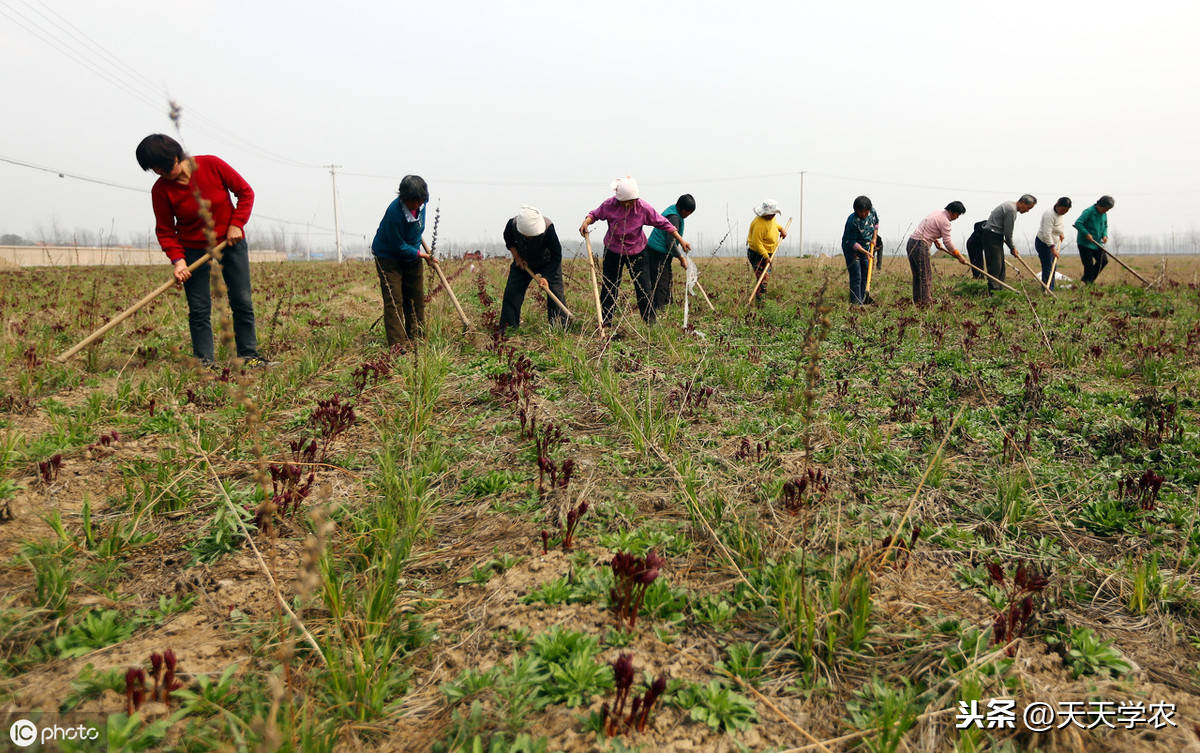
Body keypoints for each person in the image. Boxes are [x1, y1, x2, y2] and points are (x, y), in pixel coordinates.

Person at [135, 134, 264, 367]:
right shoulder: (161, 190)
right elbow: (165, 230)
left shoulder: (211, 165)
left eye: (166, 166)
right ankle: (204, 363)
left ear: (177, 155)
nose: (164, 173)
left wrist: (237, 224)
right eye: (156, 171)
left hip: (230, 242)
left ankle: (249, 357)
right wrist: (178, 261)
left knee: (242, 301)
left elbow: (246, 192)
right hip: (193, 249)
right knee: (199, 309)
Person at [579, 177, 690, 326]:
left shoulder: (642, 207)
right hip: (613, 250)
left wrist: (680, 239)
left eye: (632, 201)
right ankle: (605, 321)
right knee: (610, 286)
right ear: (619, 199)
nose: (629, 204)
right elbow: (595, 214)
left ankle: (650, 322)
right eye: (626, 202)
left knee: (644, 287)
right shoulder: (610, 205)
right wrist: (586, 222)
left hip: (637, 251)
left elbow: (663, 222)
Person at [371, 175, 432, 347]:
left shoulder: (422, 205)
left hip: (412, 253)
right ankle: (398, 344)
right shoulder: (394, 214)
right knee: (394, 299)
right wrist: (421, 255)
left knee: (415, 296)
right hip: (389, 256)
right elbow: (398, 245)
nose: (419, 205)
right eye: (415, 202)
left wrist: (419, 252)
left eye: (422, 201)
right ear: (405, 199)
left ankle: (417, 338)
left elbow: (418, 228)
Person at [500, 205, 567, 333]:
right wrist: (517, 257)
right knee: (512, 293)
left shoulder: (548, 229)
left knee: (556, 293)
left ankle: (559, 327)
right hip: (523, 261)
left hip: (547, 262)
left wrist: (546, 277)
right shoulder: (512, 225)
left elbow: (556, 256)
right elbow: (508, 240)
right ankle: (508, 328)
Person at [907, 202, 968, 305]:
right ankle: (926, 304)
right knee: (925, 276)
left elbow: (929, 228)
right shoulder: (945, 222)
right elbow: (947, 242)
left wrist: (935, 240)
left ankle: (918, 302)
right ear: (952, 212)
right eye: (957, 215)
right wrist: (959, 256)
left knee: (918, 275)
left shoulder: (936, 213)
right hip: (921, 245)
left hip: (911, 242)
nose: (957, 218)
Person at [645, 194, 696, 313]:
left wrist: (683, 243)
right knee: (661, 281)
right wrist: (681, 257)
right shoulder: (674, 217)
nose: (689, 215)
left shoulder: (674, 211)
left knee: (667, 277)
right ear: (683, 209)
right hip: (656, 252)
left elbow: (674, 239)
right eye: (689, 212)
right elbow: (670, 243)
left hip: (662, 252)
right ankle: (659, 309)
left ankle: (668, 304)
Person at [980, 195, 1038, 292]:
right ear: (1022, 203)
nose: (1027, 211)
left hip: (996, 236)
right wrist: (1012, 248)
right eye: (1028, 208)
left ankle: (999, 290)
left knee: (1001, 267)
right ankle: (993, 292)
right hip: (991, 236)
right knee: (995, 267)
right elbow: (1008, 232)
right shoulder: (1011, 210)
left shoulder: (1010, 205)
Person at [746, 199, 788, 303]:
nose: (773, 215)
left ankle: (761, 299)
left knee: (765, 278)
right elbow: (757, 243)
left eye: (774, 213)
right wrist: (766, 256)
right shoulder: (759, 224)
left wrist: (781, 229)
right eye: (771, 214)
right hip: (757, 254)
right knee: (762, 279)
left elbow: (774, 225)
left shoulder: (771, 219)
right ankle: (760, 303)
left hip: (769, 253)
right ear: (765, 213)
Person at [840, 195, 878, 305]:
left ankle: (863, 298)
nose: (864, 214)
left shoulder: (872, 213)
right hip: (851, 249)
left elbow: (876, 224)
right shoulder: (852, 221)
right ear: (856, 210)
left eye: (866, 212)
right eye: (861, 212)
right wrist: (866, 252)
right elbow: (852, 243)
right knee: (856, 275)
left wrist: (874, 238)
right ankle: (856, 303)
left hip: (866, 247)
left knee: (865, 272)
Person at [1074, 195, 1115, 284]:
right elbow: (1078, 223)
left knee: (1103, 261)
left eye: (1108, 210)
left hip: (1097, 243)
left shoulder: (1104, 214)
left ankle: (1087, 281)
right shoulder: (1089, 211)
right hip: (1085, 243)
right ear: (1100, 205)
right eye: (1105, 209)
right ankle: (1087, 283)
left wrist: (1105, 235)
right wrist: (1086, 234)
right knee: (1088, 266)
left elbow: (1105, 226)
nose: (1106, 211)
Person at [1035, 197, 1072, 290]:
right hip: (1044, 243)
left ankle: (1051, 286)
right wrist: (1052, 249)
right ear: (1057, 205)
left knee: (1053, 266)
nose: (1064, 212)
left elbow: (1057, 226)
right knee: (1048, 266)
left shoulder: (1060, 214)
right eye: (1063, 209)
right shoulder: (1049, 215)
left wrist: (1061, 233)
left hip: (1052, 243)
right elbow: (1046, 233)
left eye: (1066, 211)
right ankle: (1047, 289)